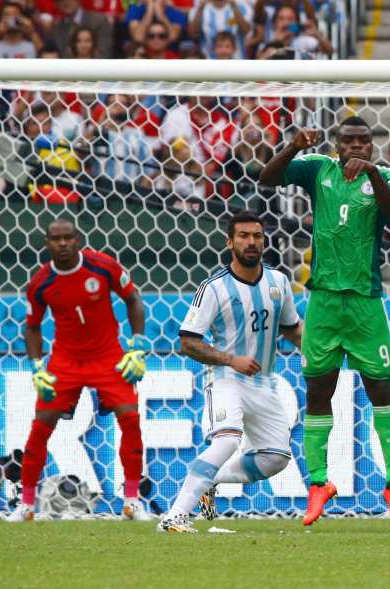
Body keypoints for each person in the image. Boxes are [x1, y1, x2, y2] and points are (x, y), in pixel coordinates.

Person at [259, 117, 390, 525]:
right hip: (323, 299)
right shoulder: (318, 168)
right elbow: (268, 177)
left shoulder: (387, 176)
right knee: (318, 390)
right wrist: (293, 146)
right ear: (338, 143)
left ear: (373, 144)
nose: (357, 146)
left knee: (380, 388)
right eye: (349, 140)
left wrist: (374, 174)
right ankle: (319, 483)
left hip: (365, 300)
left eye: (364, 140)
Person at [158, 212, 304, 533]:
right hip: (226, 379)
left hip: (263, 384)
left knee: (276, 458)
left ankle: (210, 481)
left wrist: (317, 350)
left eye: (257, 236)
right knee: (226, 441)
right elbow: (188, 342)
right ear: (229, 242)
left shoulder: (279, 282)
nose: (251, 242)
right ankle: (175, 516)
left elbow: (293, 329)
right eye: (243, 236)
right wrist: (229, 359)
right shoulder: (213, 288)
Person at [12, 219, 149, 522]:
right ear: (47, 243)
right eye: (55, 239)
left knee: (130, 417)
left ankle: (132, 500)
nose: (62, 244)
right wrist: (37, 367)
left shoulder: (103, 266)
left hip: (108, 356)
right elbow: (32, 327)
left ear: (78, 240)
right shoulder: (40, 282)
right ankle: (26, 505)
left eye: (68, 238)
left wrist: (137, 345)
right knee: (41, 426)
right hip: (65, 361)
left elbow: (134, 300)